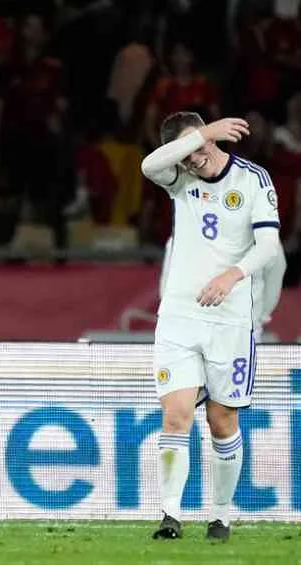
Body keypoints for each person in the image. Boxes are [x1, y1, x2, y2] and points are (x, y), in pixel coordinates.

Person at [141, 112, 280, 541]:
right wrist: (201, 135)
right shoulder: (179, 181)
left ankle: (220, 515)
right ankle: (170, 516)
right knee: (176, 415)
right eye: (187, 152)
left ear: (218, 143)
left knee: (222, 421)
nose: (196, 158)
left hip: (230, 320)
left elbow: (269, 245)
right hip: (180, 317)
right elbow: (149, 166)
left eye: (201, 148)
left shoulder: (253, 180)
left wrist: (232, 275)